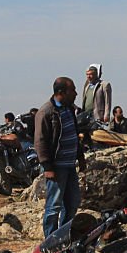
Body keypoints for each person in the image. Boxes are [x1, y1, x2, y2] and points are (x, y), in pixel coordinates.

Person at [35, 77, 85, 238]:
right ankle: (51, 239)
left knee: (72, 203)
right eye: (73, 90)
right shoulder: (46, 112)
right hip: (56, 167)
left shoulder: (69, 109)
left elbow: (74, 134)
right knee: (54, 206)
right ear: (61, 93)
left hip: (70, 164)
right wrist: (47, 166)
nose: (76, 94)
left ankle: (64, 236)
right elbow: (40, 141)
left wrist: (80, 157)